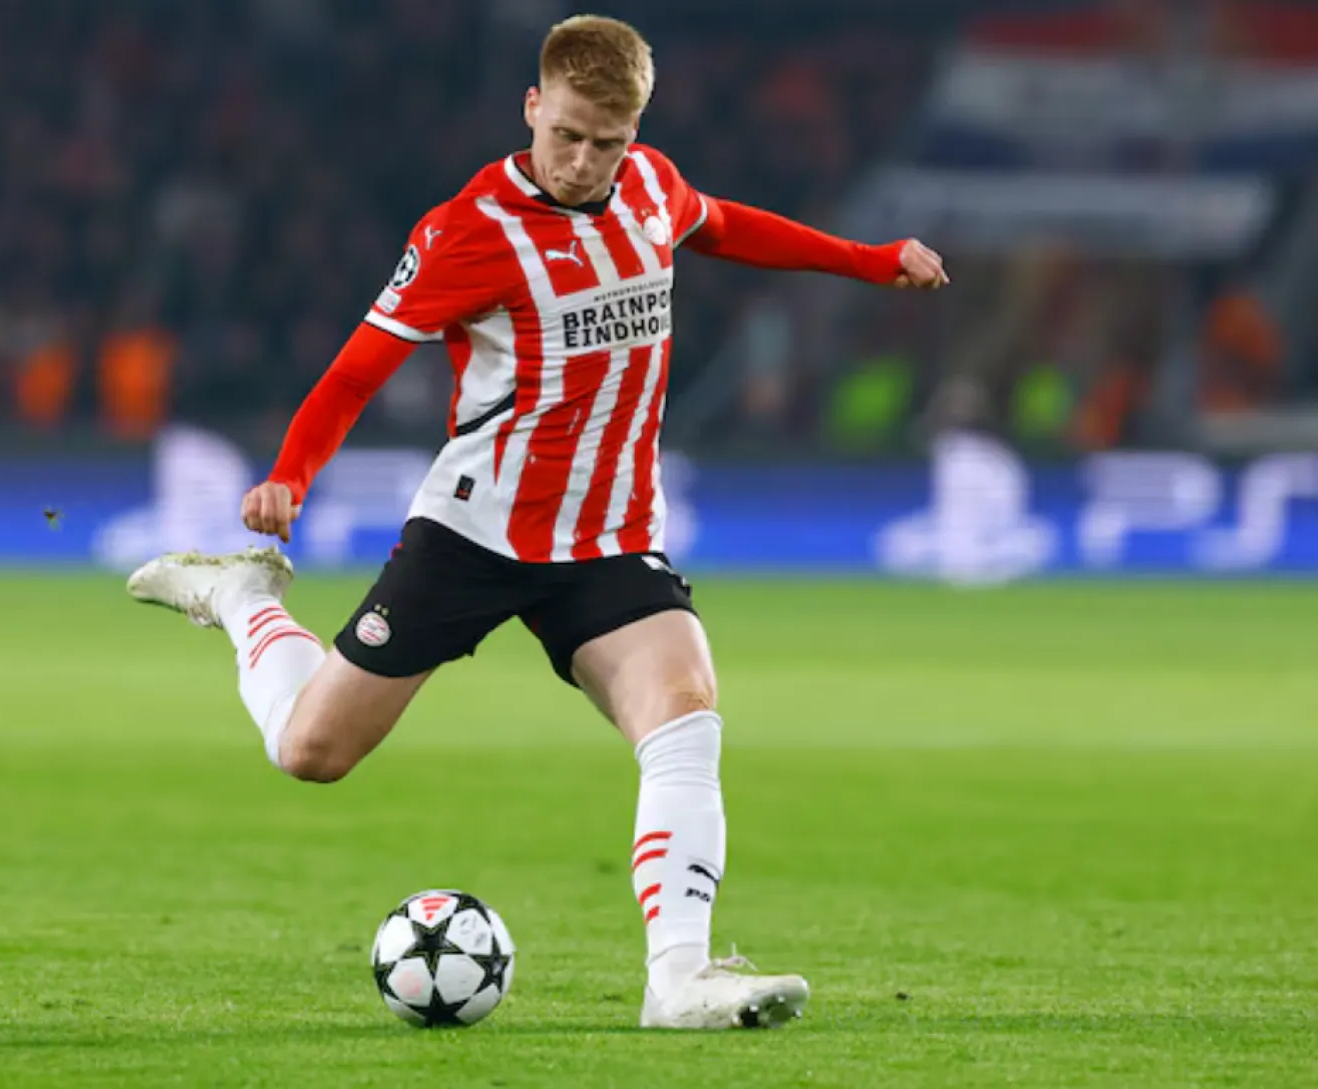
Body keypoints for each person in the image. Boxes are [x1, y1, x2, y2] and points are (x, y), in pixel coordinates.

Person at [129, 14, 948, 1030]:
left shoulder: (649, 186)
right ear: (532, 107)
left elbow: (726, 226)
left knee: (685, 715)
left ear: (634, 132)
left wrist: (871, 260)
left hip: (609, 540)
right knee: (312, 751)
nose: (583, 161)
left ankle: (679, 978)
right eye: (566, 135)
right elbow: (357, 368)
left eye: (607, 142)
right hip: (475, 536)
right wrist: (291, 475)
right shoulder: (469, 232)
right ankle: (244, 599)